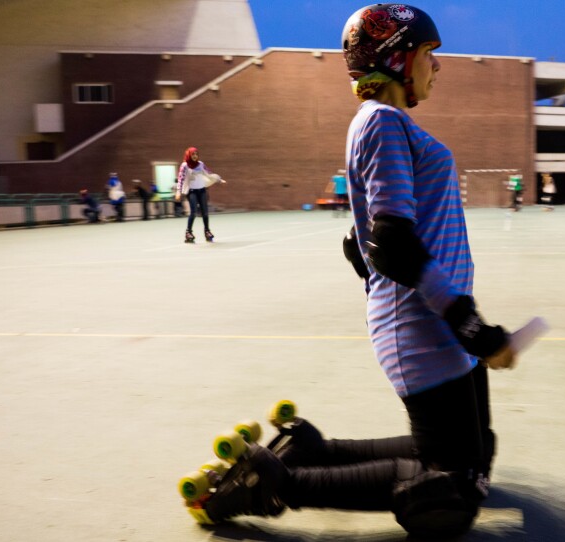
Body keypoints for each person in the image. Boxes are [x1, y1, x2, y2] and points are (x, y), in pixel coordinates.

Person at [191, 6, 515, 539]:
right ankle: (275, 483)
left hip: (436, 319)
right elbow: (389, 241)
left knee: (477, 461)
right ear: (398, 57)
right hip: (425, 325)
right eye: (430, 55)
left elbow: (363, 239)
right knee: (451, 490)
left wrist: (457, 318)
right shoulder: (381, 122)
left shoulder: (387, 123)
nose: (438, 67)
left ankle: (313, 452)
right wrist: (467, 324)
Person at [175, 147, 226, 242]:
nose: (195, 156)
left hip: (202, 191)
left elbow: (209, 173)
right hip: (191, 192)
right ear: (189, 155)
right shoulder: (184, 165)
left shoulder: (201, 164)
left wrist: (219, 180)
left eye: (196, 154)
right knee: (193, 212)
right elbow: (180, 179)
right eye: (193, 154)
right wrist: (178, 192)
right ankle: (188, 232)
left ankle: (207, 231)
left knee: (205, 213)